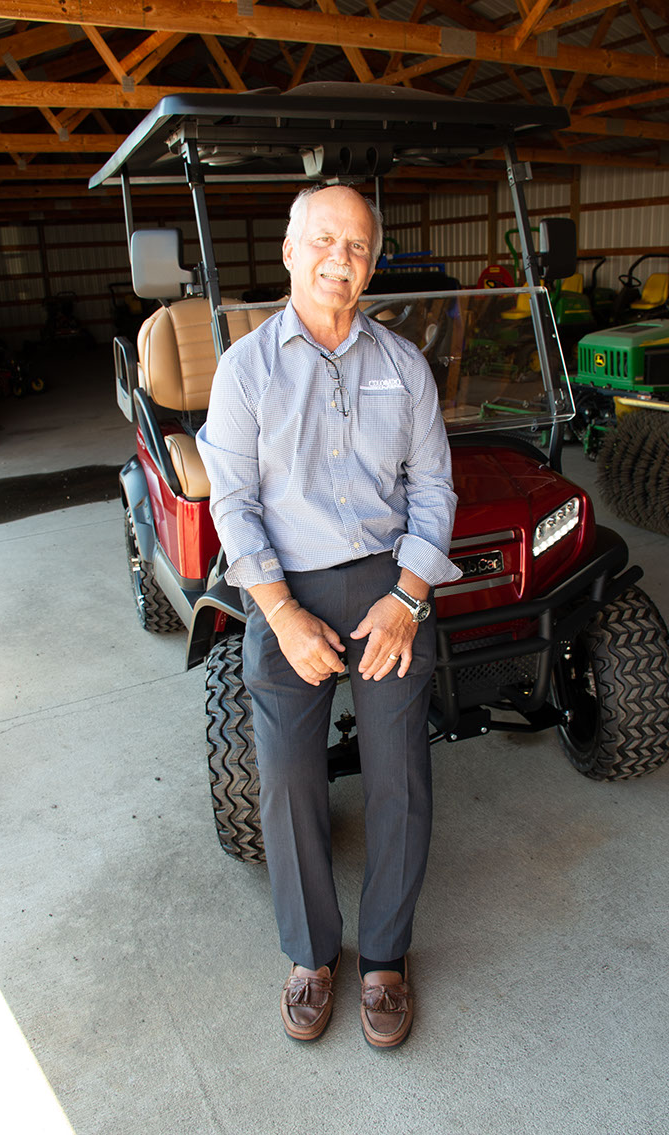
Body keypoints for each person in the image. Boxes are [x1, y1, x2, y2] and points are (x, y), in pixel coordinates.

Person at [197, 183, 461, 1049]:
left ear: (373, 261)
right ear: (287, 250)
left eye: (355, 245)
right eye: (322, 240)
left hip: (388, 590)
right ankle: (312, 955)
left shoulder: (404, 365)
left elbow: (433, 489)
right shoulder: (245, 370)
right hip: (286, 590)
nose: (338, 258)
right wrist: (279, 612)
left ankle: (384, 957)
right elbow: (233, 504)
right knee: (289, 781)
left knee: (399, 778)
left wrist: (409, 597)